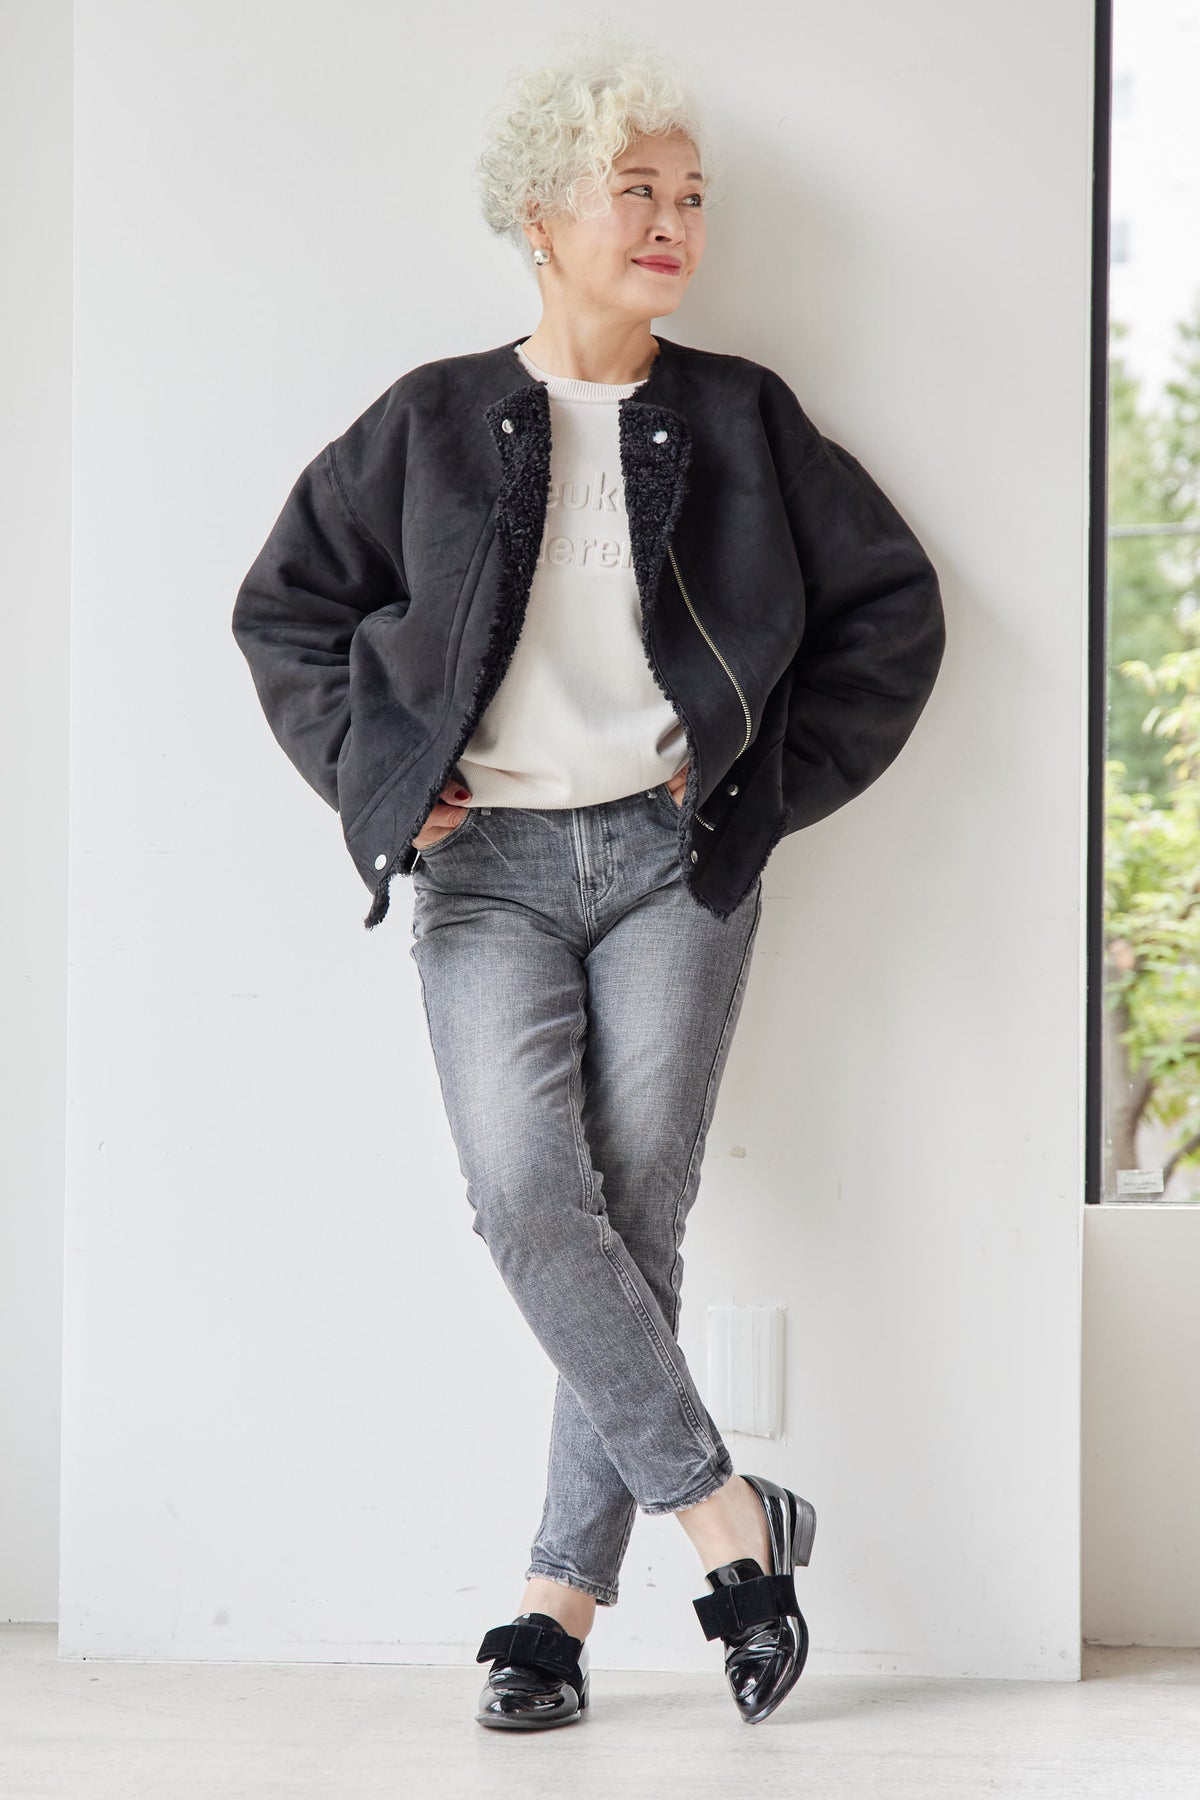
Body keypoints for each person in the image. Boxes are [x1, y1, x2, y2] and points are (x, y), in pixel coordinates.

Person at [231, 24, 945, 1732]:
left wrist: (768, 778)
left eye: (691, 196)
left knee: (631, 1211)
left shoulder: (741, 418)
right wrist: (382, 780)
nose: (674, 222)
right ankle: (730, 1525)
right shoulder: (427, 421)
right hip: (482, 871)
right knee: (526, 1196)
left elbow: (891, 612)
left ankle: (553, 1611)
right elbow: (288, 611)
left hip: (671, 862)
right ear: (541, 216)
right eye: (637, 191)